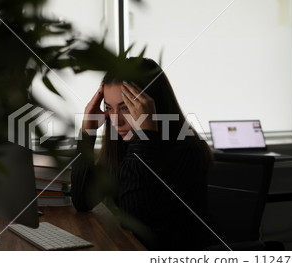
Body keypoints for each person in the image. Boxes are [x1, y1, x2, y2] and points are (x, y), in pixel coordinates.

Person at [70, 57, 214, 250]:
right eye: (109, 108)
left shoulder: (187, 150)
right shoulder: (123, 144)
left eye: (126, 107)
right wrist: (88, 133)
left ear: (153, 106)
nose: (115, 121)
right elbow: (82, 200)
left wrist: (145, 137)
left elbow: (134, 224)